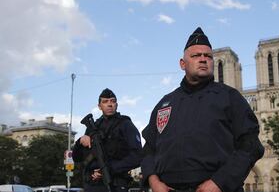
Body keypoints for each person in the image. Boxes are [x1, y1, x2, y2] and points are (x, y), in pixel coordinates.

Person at [141, 27, 265, 192]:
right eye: (196, 55)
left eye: (208, 56)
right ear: (182, 64)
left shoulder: (229, 97)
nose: (203, 59)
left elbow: (251, 146)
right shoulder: (165, 103)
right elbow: (148, 149)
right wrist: (153, 181)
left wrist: (220, 182)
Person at [72, 88, 143, 192]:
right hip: (92, 185)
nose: (110, 104)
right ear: (99, 106)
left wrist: (109, 169)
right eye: (105, 102)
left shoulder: (125, 124)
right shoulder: (92, 127)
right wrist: (80, 142)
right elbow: (77, 158)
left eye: (113, 101)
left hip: (116, 184)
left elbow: (138, 156)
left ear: (116, 105)